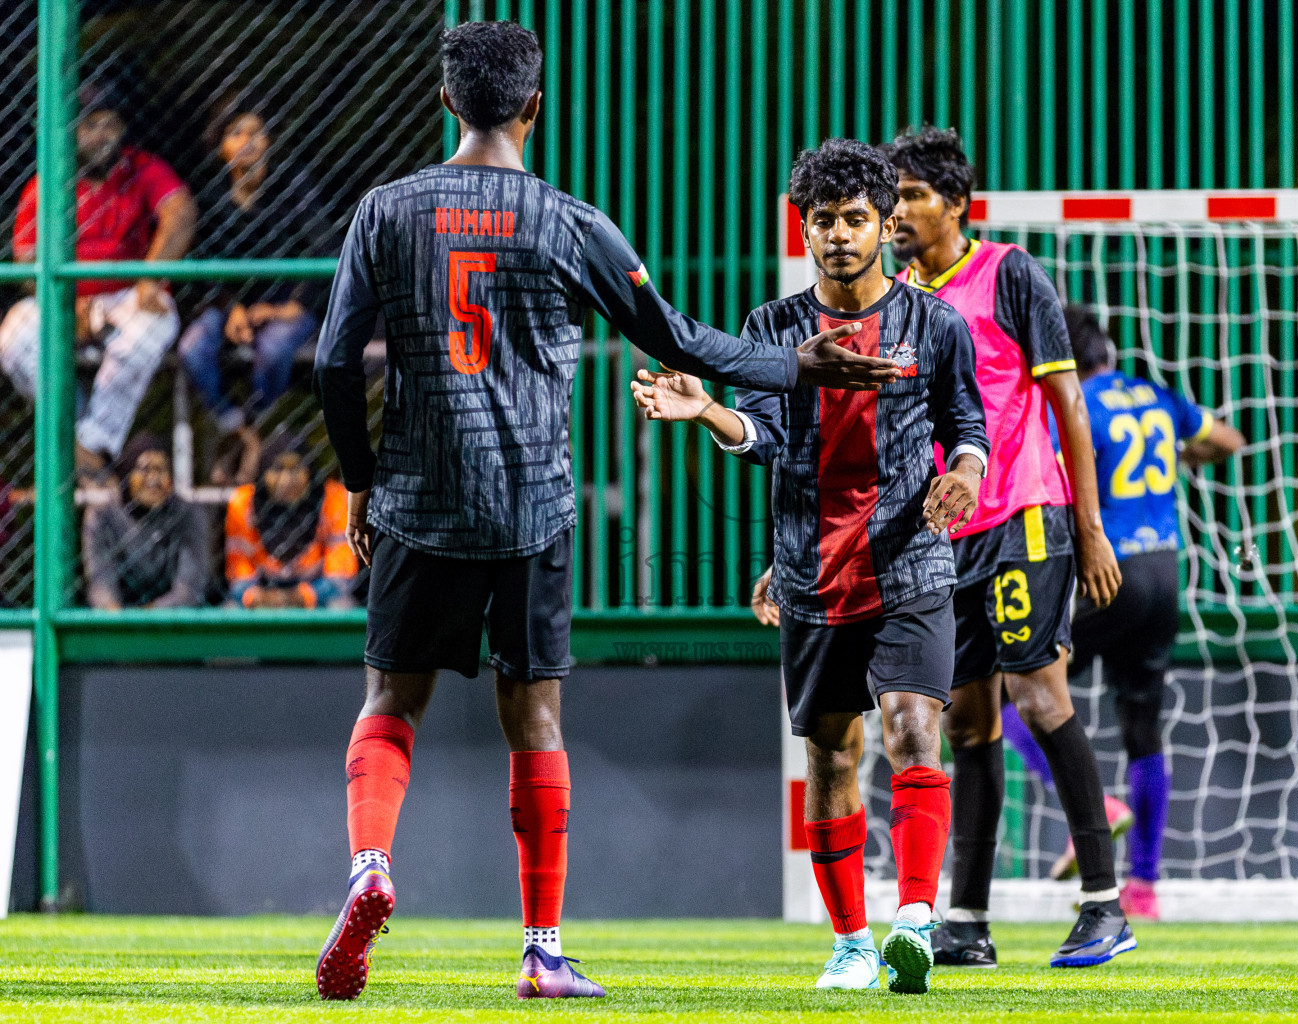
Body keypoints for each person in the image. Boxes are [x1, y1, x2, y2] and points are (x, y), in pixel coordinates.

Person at [311, 23, 898, 1003]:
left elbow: (334, 362)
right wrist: (799, 360)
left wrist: (363, 478)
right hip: (533, 505)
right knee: (534, 719)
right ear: (536, 108)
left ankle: (370, 865)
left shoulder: (387, 210)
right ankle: (541, 948)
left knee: (388, 704)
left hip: (418, 500)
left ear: (446, 103)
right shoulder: (571, 222)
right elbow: (675, 336)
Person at [633, 138, 989, 995]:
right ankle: (851, 944)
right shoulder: (773, 329)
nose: (838, 235)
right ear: (805, 228)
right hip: (814, 571)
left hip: (910, 560)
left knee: (911, 725)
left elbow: (968, 425)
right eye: (822, 220)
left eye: (855, 219)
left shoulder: (934, 324)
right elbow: (764, 436)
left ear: (884, 224)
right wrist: (711, 410)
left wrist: (968, 473)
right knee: (832, 757)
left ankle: (913, 918)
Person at [877, 126, 1131, 968]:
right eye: (895, 196)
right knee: (971, 725)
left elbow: (1069, 409)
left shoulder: (1010, 275)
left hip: (1027, 515)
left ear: (956, 204)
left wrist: (1090, 530)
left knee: (1040, 696)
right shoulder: (899, 294)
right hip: (951, 534)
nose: (898, 211)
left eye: (912, 195)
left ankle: (1105, 904)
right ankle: (966, 922)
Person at [1006, 305, 1245, 921]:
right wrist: (1182, 464)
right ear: (1108, 349)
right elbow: (1227, 441)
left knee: (1013, 689)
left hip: (1104, 574)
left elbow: (1053, 477)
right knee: (1143, 728)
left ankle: (1093, 807)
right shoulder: (1156, 396)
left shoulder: (1074, 406)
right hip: (1165, 573)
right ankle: (1144, 887)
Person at [1, 81, 196, 474]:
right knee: (13, 338)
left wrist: (149, 279)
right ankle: (73, 438)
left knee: (151, 328)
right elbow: (26, 258)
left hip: (129, 295)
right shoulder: (50, 181)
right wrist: (66, 304)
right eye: (89, 127)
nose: (100, 136)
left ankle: (92, 446)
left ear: (122, 130)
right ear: (72, 133)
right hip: (65, 298)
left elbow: (181, 212)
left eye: (109, 125)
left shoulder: (142, 167)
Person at [178, 95, 331, 457]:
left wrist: (292, 306)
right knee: (193, 348)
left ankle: (260, 422)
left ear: (269, 142)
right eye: (235, 133)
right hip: (231, 303)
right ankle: (235, 425)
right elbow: (200, 263)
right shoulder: (212, 196)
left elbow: (327, 249)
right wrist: (229, 308)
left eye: (256, 132)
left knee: (274, 348)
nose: (247, 141)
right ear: (221, 148)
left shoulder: (291, 186)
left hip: (284, 301)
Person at [224, 434, 357, 609]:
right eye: (277, 469)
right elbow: (238, 571)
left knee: (341, 607)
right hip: (261, 595)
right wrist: (253, 596)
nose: (286, 480)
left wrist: (300, 596)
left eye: (295, 469)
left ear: (308, 470)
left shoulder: (333, 499)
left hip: (318, 594)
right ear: (264, 471)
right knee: (230, 609)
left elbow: (342, 574)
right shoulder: (243, 502)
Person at [82, 432, 208, 609]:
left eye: (161, 470)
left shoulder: (187, 514)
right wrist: (116, 619)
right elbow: (101, 582)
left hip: (173, 618)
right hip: (118, 619)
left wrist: (147, 617)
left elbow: (189, 588)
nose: (153, 479)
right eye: (144, 469)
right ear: (128, 474)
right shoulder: (104, 516)